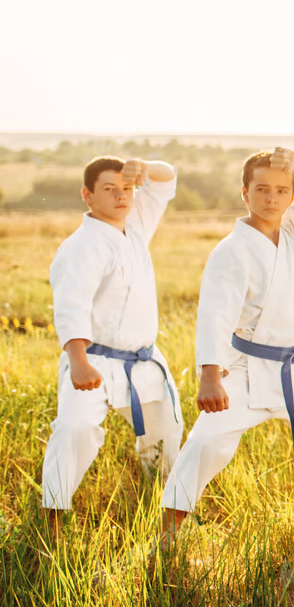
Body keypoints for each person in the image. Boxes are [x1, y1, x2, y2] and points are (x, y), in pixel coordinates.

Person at [160, 147, 294, 544]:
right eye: (261, 189)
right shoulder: (230, 252)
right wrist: (211, 375)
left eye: (280, 190)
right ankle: (168, 538)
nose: (271, 198)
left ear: (293, 195)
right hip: (246, 369)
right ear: (245, 192)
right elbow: (214, 315)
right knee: (205, 441)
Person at [41, 155, 183, 533]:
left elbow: (166, 180)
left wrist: (145, 166)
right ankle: (53, 518)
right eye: (109, 189)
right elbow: (71, 306)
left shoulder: (134, 227)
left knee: (168, 436)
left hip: (143, 362)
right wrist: (78, 361)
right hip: (93, 360)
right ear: (88, 195)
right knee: (74, 430)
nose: (121, 196)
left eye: (126, 189)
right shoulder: (81, 246)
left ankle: (165, 513)